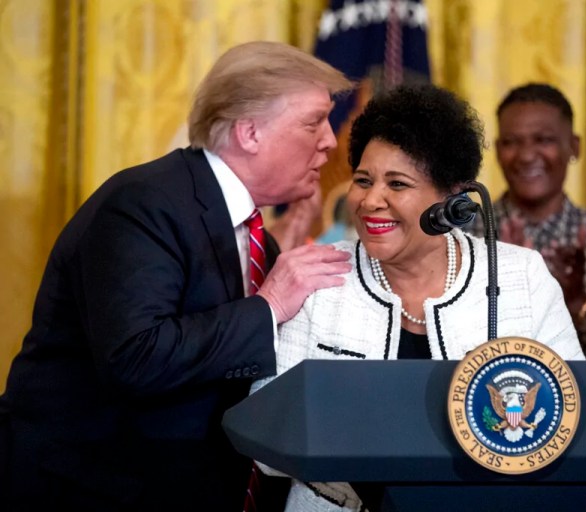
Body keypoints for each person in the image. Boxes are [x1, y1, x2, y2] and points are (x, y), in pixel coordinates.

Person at [0, 41, 354, 512]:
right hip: (85, 490)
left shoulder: (255, 237)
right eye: (314, 122)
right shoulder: (144, 204)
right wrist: (269, 306)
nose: (330, 141)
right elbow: (135, 357)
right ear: (250, 132)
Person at [249, 83, 586, 511]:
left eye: (398, 183)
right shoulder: (315, 275)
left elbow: (567, 419)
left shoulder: (522, 276)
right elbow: (265, 434)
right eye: (363, 180)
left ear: (453, 201)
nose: (371, 200)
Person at [469, 82, 586, 512]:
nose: (526, 155)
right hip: (493, 481)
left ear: (574, 146)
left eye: (544, 139)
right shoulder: (467, 236)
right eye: (511, 142)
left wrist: (579, 315)